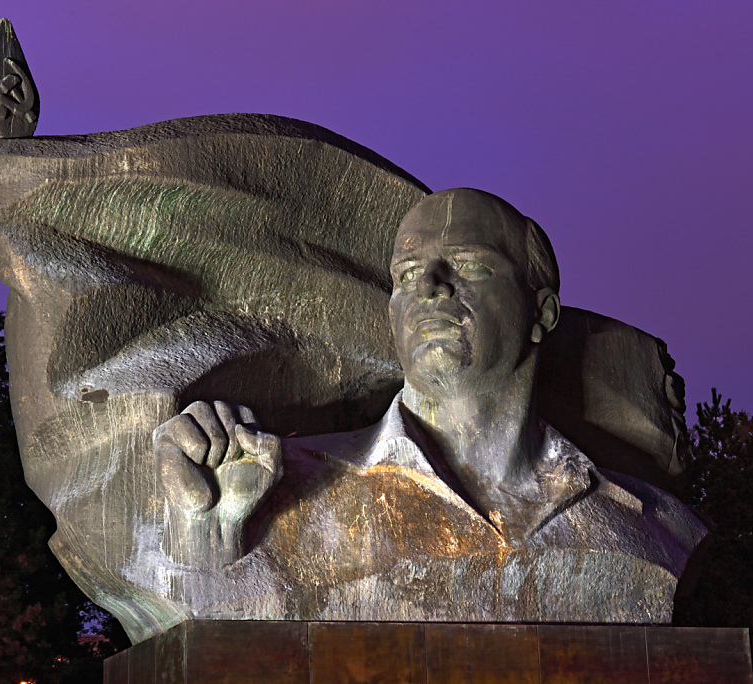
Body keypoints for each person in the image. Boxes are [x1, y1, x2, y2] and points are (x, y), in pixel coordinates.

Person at [149, 188, 707, 624]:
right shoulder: (278, 488)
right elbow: (204, 640)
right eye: (407, 275)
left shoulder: (658, 526)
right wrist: (204, 533)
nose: (430, 288)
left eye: (469, 265)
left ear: (542, 313)